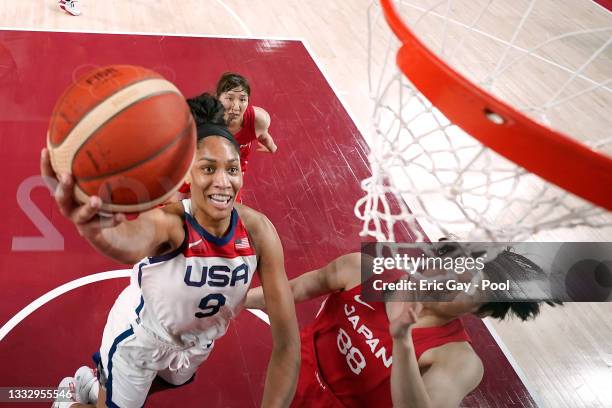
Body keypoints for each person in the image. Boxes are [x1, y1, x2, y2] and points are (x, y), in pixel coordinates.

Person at [45, 94, 300, 408]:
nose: (223, 182)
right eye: (208, 169)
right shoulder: (172, 222)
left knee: (147, 388)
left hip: (195, 345)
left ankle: (96, 384)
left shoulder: (259, 232)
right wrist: (98, 230)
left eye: (232, 170)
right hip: (140, 340)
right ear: (188, 175)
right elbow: (128, 241)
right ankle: (68, 402)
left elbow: (288, 343)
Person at [245, 250, 560, 407]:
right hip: (292, 374)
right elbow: (296, 289)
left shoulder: (459, 362)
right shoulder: (362, 269)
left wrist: (403, 342)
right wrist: (238, 300)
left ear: (480, 310)